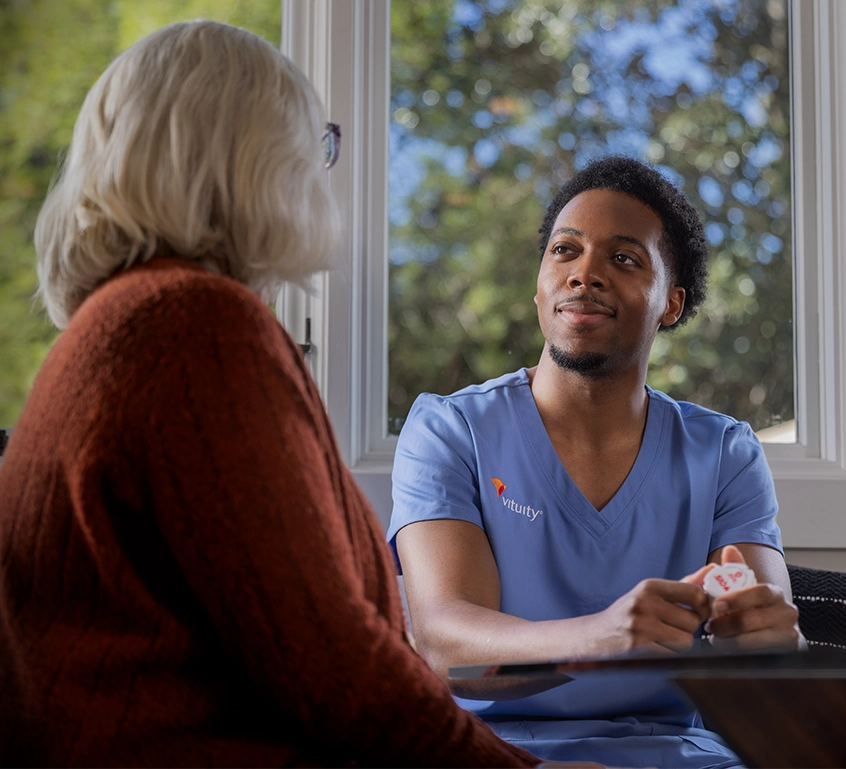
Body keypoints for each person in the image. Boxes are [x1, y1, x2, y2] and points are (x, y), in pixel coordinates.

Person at [0, 20, 548, 768]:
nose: (323, 170)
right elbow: (333, 664)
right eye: (317, 142)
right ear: (253, 156)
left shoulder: (123, 323)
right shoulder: (195, 328)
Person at [388, 155, 803, 769]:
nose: (585, 274)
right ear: (537, 287)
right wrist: (601, 638)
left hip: (681, 756)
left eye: (625, 259)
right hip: (492, 754)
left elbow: (766, 644)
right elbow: (447, 646)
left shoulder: (725, 453)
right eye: (565, 251)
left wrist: (771, 642)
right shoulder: (451, 431)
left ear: (672, 303)